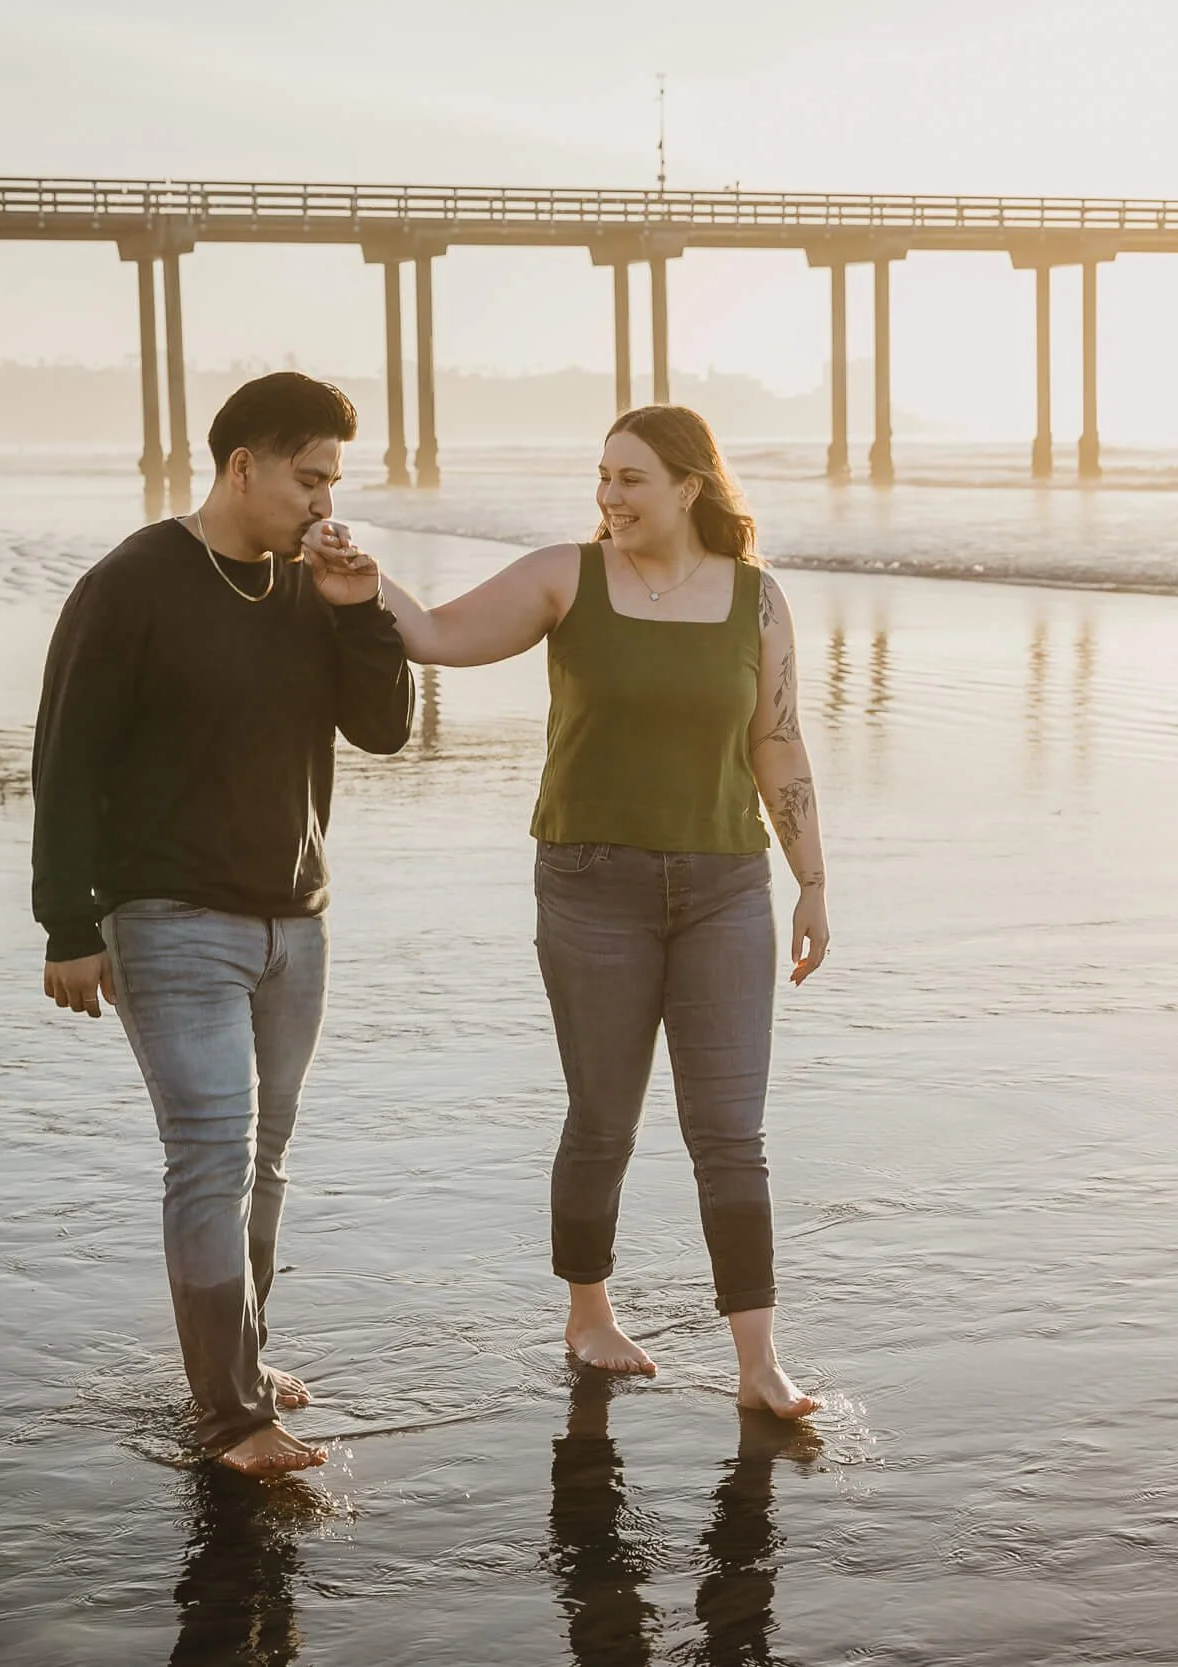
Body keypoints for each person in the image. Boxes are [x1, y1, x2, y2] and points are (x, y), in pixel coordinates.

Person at [315, 404, 827, 1418]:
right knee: (604, 1118)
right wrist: (366, 583)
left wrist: (811, 877)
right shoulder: (565, 576)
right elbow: (438, 636)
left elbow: (777, 741)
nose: (609, 496)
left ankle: (759, 1361)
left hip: (727, 883)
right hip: (591, 884)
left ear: (690, 486)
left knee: (731, 1131)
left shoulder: (758, 602)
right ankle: (589, 1313)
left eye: (631, 478)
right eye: (602, 476)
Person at [31, 372, 414, 1477]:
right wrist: (68, 923)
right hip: (168, 915)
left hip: (297, 921)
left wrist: (359, 611)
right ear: (243, 465)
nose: (325, 500)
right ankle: (233, 1414)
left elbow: (384, 729)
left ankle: (239, 1356)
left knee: (268, 1155)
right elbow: (67, 758)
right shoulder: (132, 583)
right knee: (210, 1155)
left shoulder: (313, 585)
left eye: (334, 479)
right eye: (310, 476)